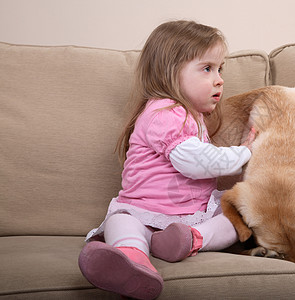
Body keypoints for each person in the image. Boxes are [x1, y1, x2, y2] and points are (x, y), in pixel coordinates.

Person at [78, 20, 255, 300]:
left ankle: (185, 240)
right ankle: (131, 260)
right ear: (170, 72)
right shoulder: (164, 112)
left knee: (237, 216)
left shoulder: (190, 115)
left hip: (189, 216)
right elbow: (197, 164)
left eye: (220, 69)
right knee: (121, 222)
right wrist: (245, 152)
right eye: (207, 68)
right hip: (144, 213)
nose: (219, 78)